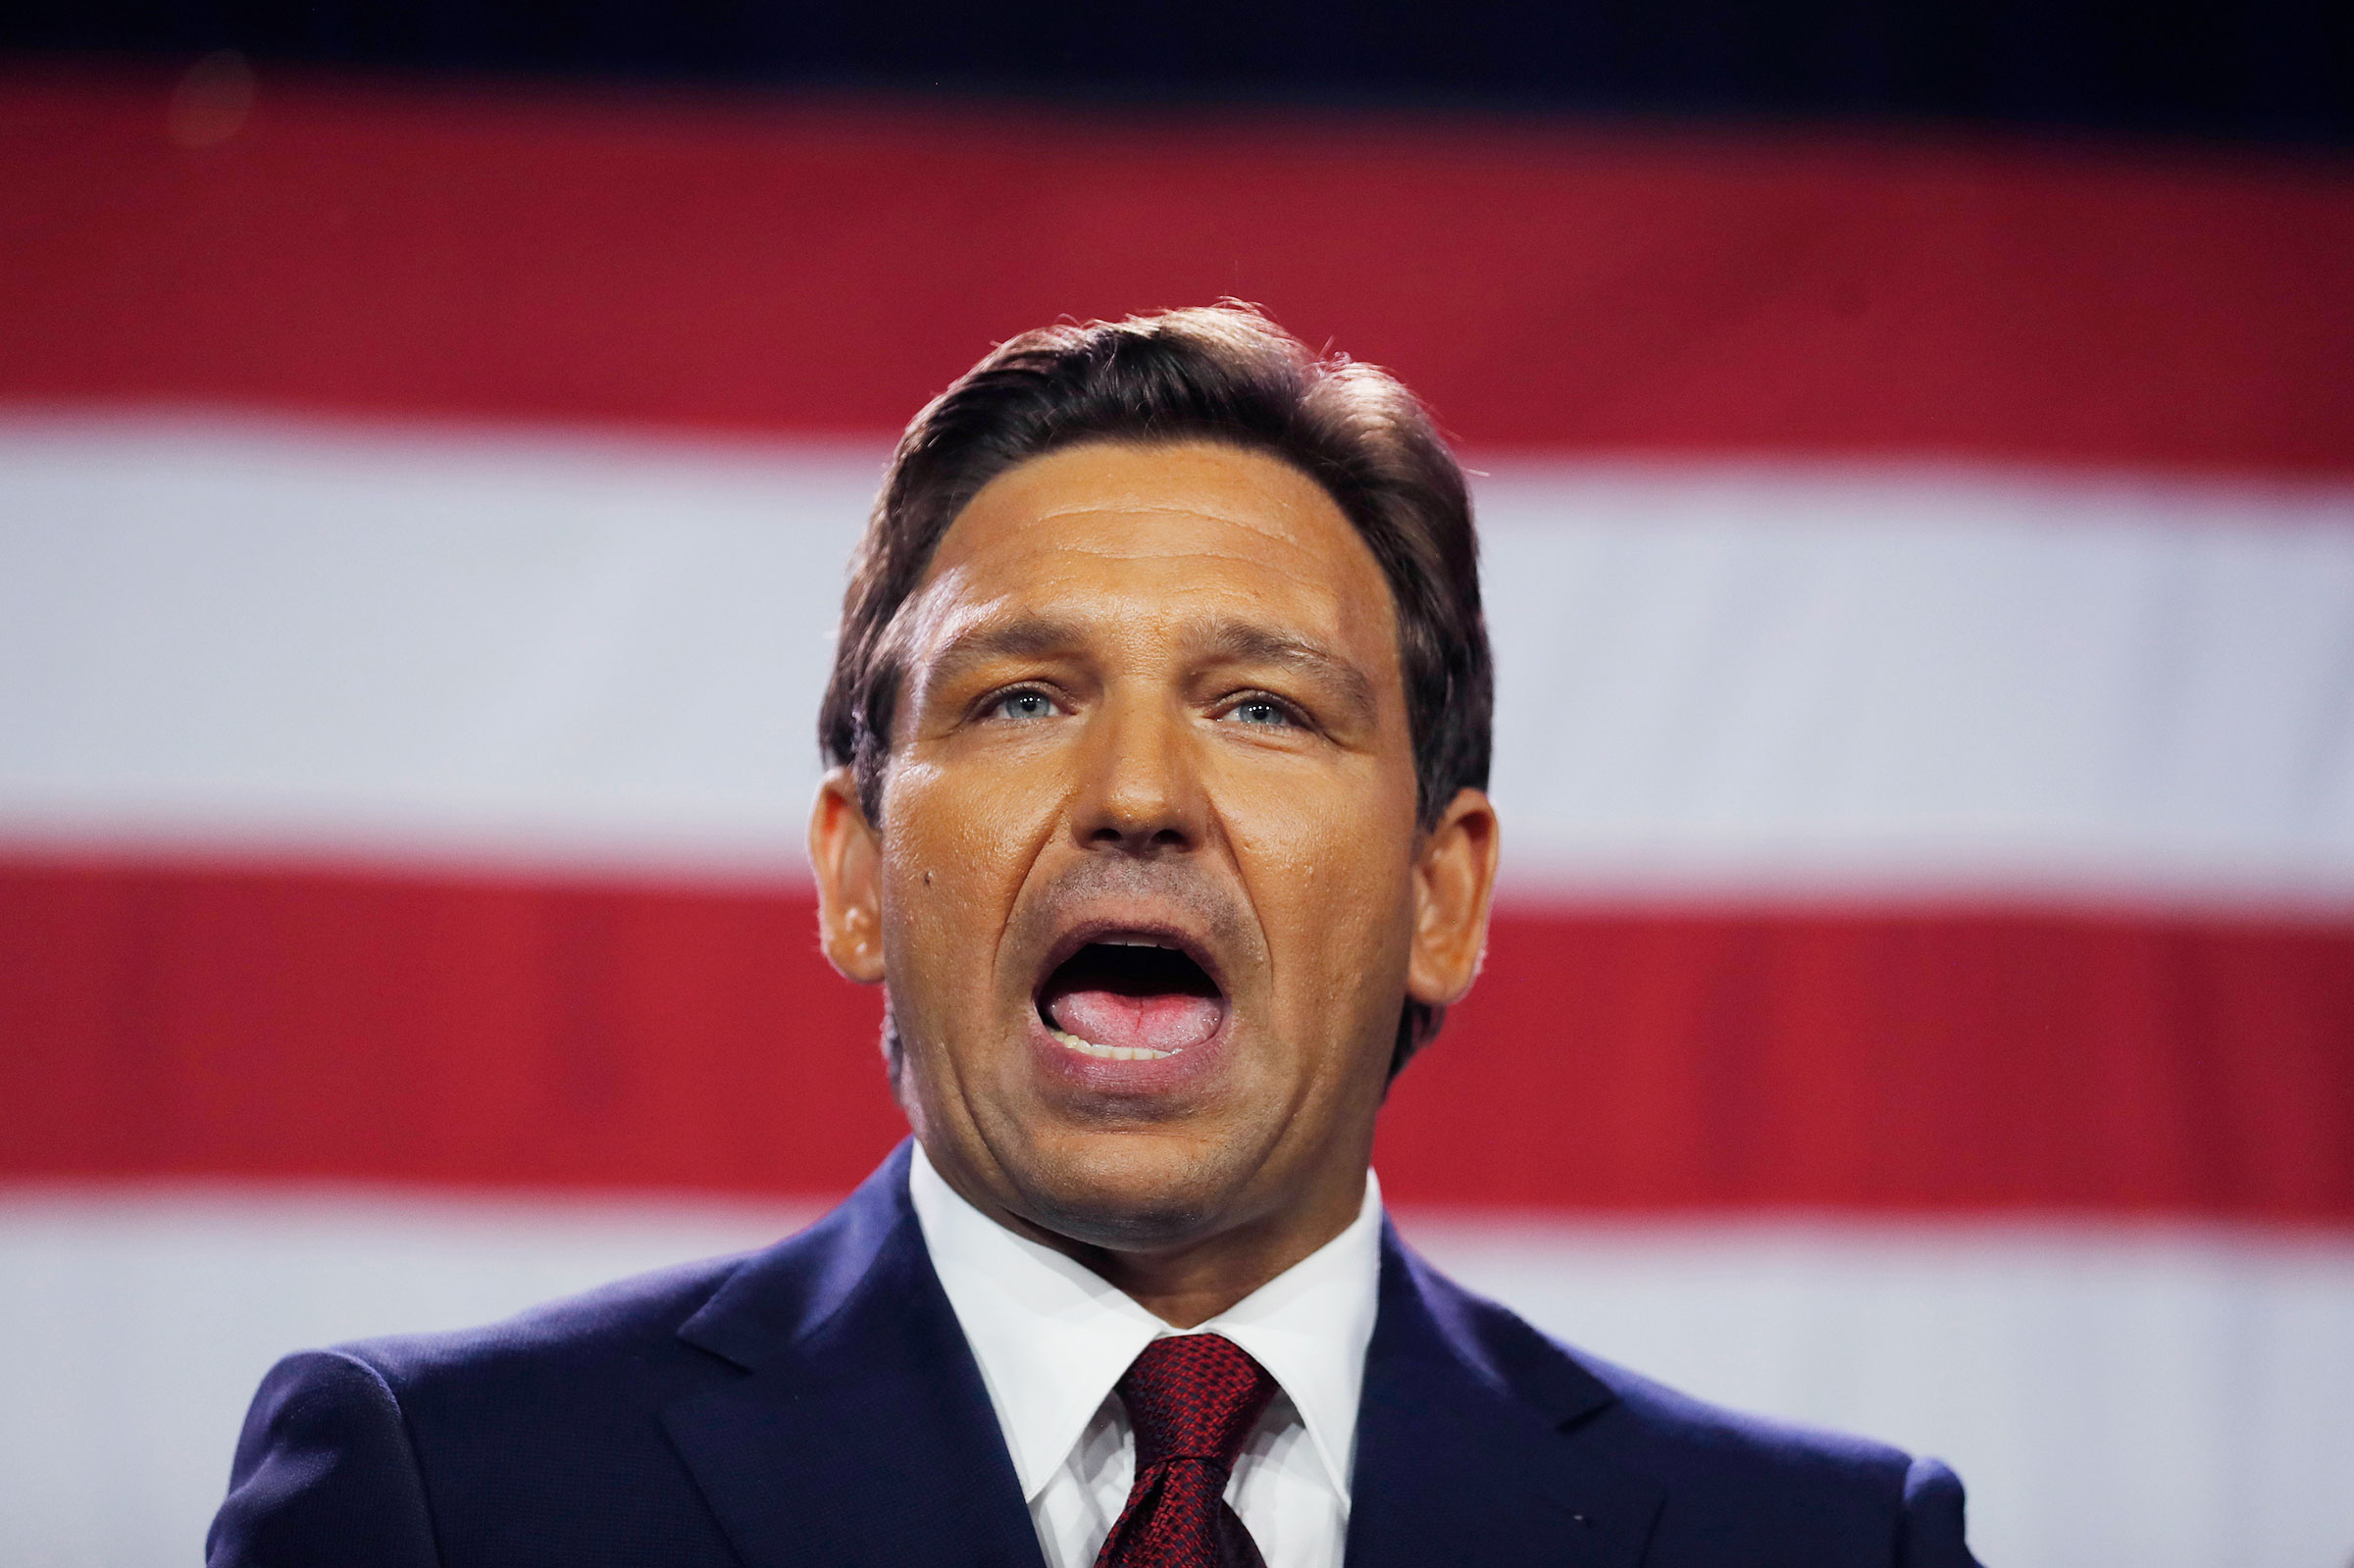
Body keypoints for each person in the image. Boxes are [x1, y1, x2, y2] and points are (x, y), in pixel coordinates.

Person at [209, 304, 1980, 1567]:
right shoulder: (450, 1501)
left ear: (1443, 896)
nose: (1139, 792)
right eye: (1024, 697)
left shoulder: (1824, 1543)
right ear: (853, 870)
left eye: (1266, 709)